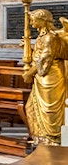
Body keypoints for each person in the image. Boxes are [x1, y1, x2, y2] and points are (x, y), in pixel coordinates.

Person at [24, 9, 68, 145]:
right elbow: (38, 56)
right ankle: (40, 137)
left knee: (50, 112)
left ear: (42, 21)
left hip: (51, 78)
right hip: (41, 78)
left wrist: (29, 73)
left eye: (33, 20)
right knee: (30, 107)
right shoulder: (42, 37)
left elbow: (45, 60)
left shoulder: (50, 37)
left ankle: (54, 139)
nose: (31, 23)